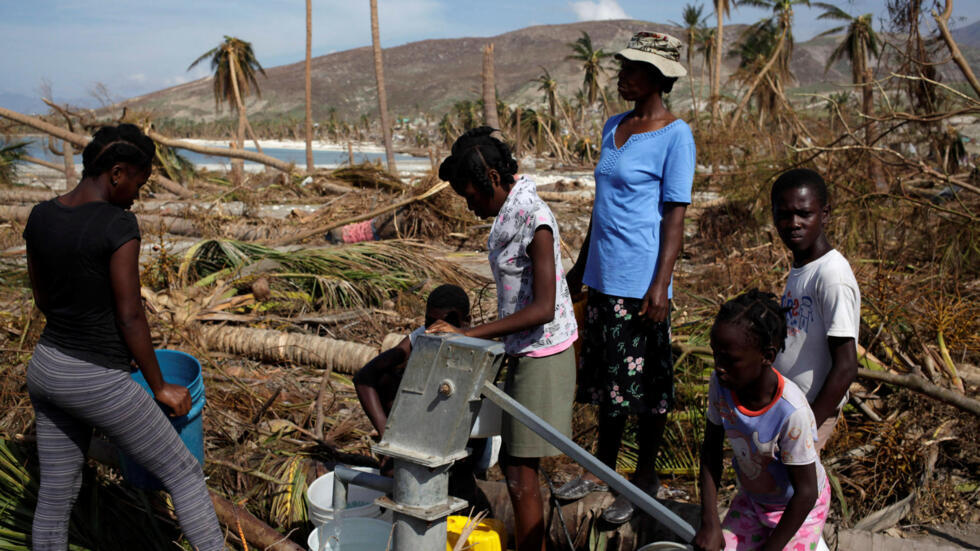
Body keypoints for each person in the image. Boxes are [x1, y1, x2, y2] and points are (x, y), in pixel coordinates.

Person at [22, 124, 224, 551]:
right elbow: (130, 314)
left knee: (56, 497)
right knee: (183, 474)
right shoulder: (118, 225)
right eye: (138, 182)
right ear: (117, 172)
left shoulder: (41, 215)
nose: (137, 194)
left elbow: (42, 297)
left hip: (46, 368)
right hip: (97, 380)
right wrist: (159, 386)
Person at [558, 31, 696, 524]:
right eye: (623, 66)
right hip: (603, 277)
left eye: (633, 69)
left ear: (659, 79)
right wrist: (579, 268)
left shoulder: (675, 135)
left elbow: (674, 218)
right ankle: (601, 472)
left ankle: (644, 482)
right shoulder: (613, 126)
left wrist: (661, 285)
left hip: (641, 284)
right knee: (605, 386)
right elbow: (601, 208)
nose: (623, 75)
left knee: (644, 392)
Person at [429, 127, 577, 551]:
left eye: (472, 195)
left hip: (543, 353)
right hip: (523, 349)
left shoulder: (535, 218)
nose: (471, 204)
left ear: (493, 178)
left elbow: (543, 308)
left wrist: (468, 335)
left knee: (518, 467)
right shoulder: (509, 215)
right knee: (516, 466)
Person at [694, 290, 830, 551]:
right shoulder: (722, 384)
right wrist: (709, 521)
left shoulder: (791, 413)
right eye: (715, 355)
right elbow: (711, 452)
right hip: (755, 502)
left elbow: (806, 493)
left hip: (800, 512)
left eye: (730, 360)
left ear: (767, 356)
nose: (718, 366)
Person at [353, 283, 488, 495]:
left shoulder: (478, 346)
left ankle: (461, 474)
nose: (436, 331)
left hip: (464, 438)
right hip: (423, 426)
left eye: (445, 324)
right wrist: (387, 437)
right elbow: (364, 377)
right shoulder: (421, 337)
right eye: (429, 322)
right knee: (388, 377)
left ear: (466, 322)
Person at [770, 169, 860, 451]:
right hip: (789, 410)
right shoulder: (802, 268)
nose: (793, 223)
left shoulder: (831, 275)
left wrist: (809, 425)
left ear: (825, 213)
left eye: (804, 214)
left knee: (796, 491)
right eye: (784, 215)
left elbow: (846, 366)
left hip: (811, 413)